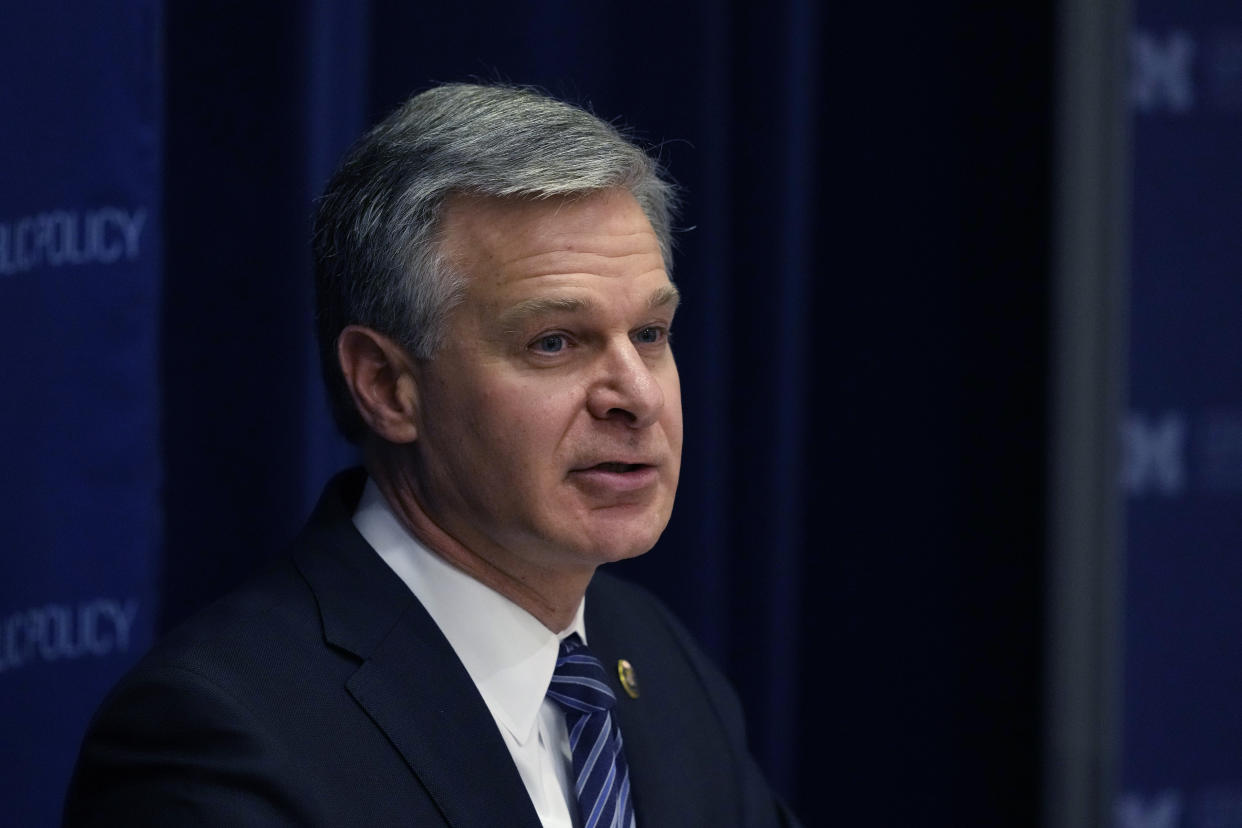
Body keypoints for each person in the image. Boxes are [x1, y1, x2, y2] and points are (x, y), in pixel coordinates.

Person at [65, 83, 799, 827]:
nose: (636, 396)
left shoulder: (656, 660)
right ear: (387, 387)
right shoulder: (217, 738)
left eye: (650, 334)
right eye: (554, 342)